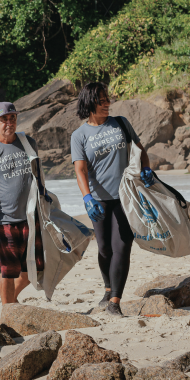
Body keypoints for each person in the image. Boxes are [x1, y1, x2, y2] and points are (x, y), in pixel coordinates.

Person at [71, 82, 155, 317]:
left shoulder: (120, 123)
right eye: (101, 100)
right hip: (98, 200)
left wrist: (146, 168)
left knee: (122, 246)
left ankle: (115, 301)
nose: (107, 103)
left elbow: (140, 150)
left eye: (107, 98)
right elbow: (80, 170)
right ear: (89, 103)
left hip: (125, 196)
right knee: (104, 248)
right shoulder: (79, 135)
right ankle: (108, 288)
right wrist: (87, 197)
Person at [0, 102, 46, 304]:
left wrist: (46, 205)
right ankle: (8, 311)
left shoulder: (28, 143)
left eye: (12, 118)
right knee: (8, 272)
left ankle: (11, 301)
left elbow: (38, 178)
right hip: (5, 221)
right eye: (4, 120)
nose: (9, 123)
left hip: (31, 218)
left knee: (35, 269)